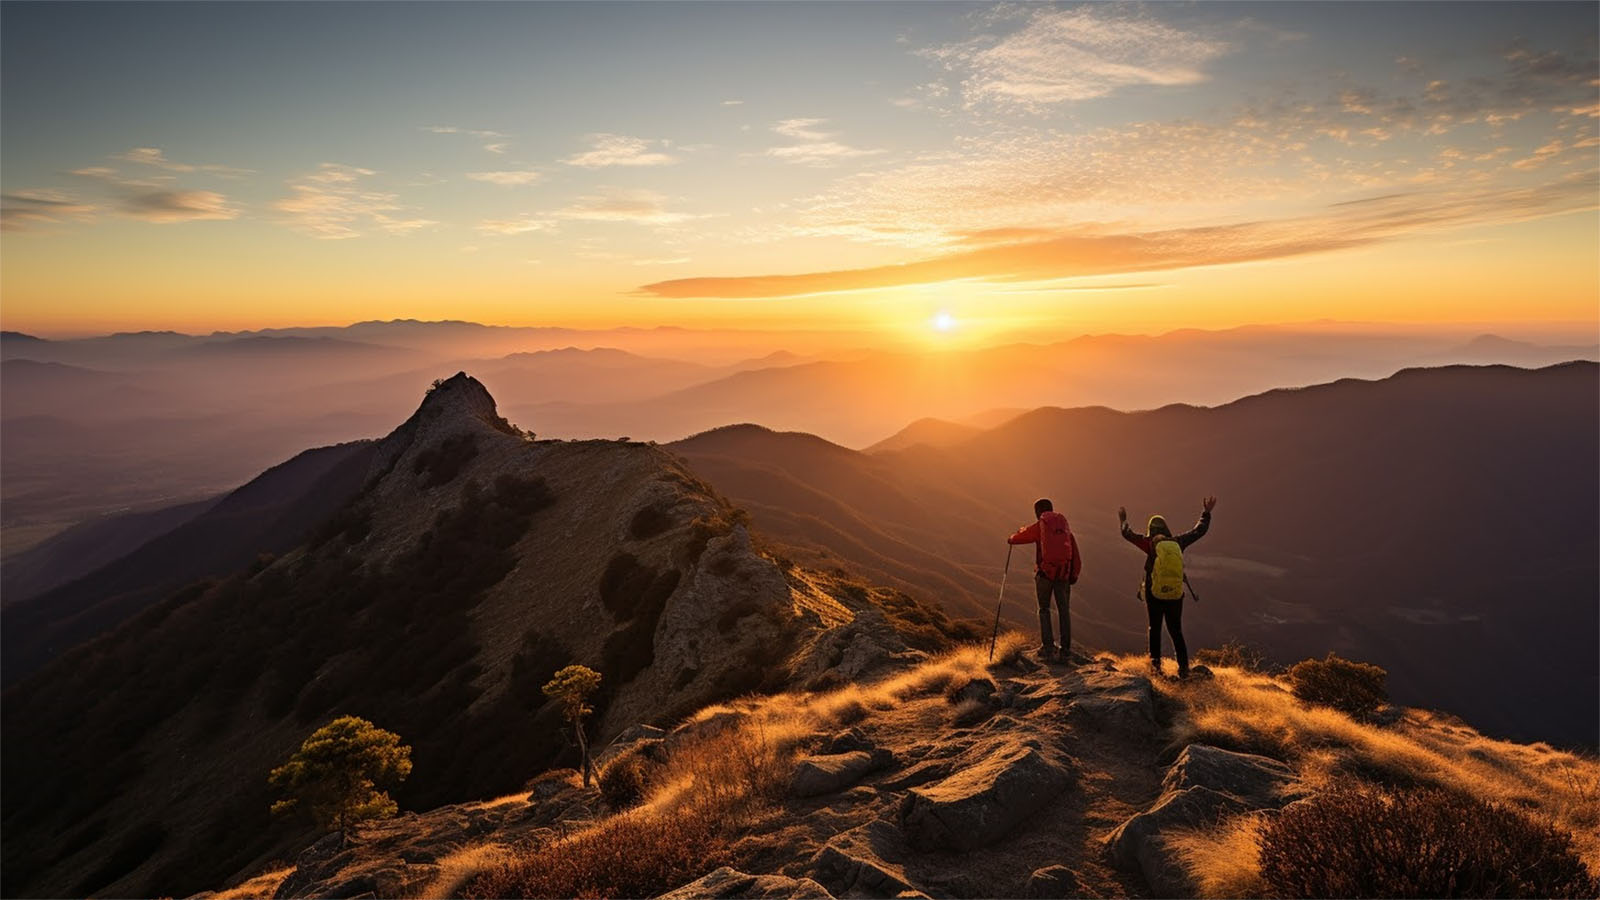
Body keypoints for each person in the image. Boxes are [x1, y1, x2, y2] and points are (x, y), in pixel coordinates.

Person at [1118, 497, 1216, 679]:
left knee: (1154, 629)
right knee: (1176, 631)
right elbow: (1199, 531)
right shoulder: (1178, 542)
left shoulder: (1149, 543)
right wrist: (1206, 513)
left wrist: (1123, 519)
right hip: (1175, 595)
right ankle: (1184, 669)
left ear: (1151, 530)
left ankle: (1156, 669)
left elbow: (1127, 534)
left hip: (1154, 595)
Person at [1007, 498, 1081, 662]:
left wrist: (1011, 539)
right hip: (1063, 575)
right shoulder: (1064, 529)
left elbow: (1020, 537)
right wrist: (1074, 574)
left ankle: (1048, 647)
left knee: (1044, 609)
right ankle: (1065, 650)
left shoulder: (1040, 527)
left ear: (1037, 512)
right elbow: (1075, 553)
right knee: (1064, 611)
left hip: (1045, 575)